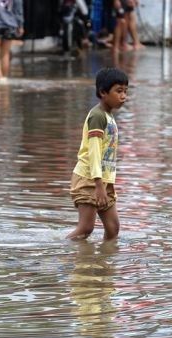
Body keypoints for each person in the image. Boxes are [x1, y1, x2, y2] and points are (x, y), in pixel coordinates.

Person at [67, 68, 129, 241]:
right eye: (118, 91)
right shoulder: (97, 117)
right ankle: (60, 252)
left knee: (113, 228)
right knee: (85, 229)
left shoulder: (108, 116)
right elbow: (94, 153)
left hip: (104, 180)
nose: (123, 96)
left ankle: (105, 264)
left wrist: (105, 184)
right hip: (90, 179)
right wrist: (99, 185)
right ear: (103, 92)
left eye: (125, 91)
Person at [0, 0, 24, 81]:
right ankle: (4, 78)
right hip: (10, 25)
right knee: (5, 54)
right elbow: (18, 11)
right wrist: (20, 25)